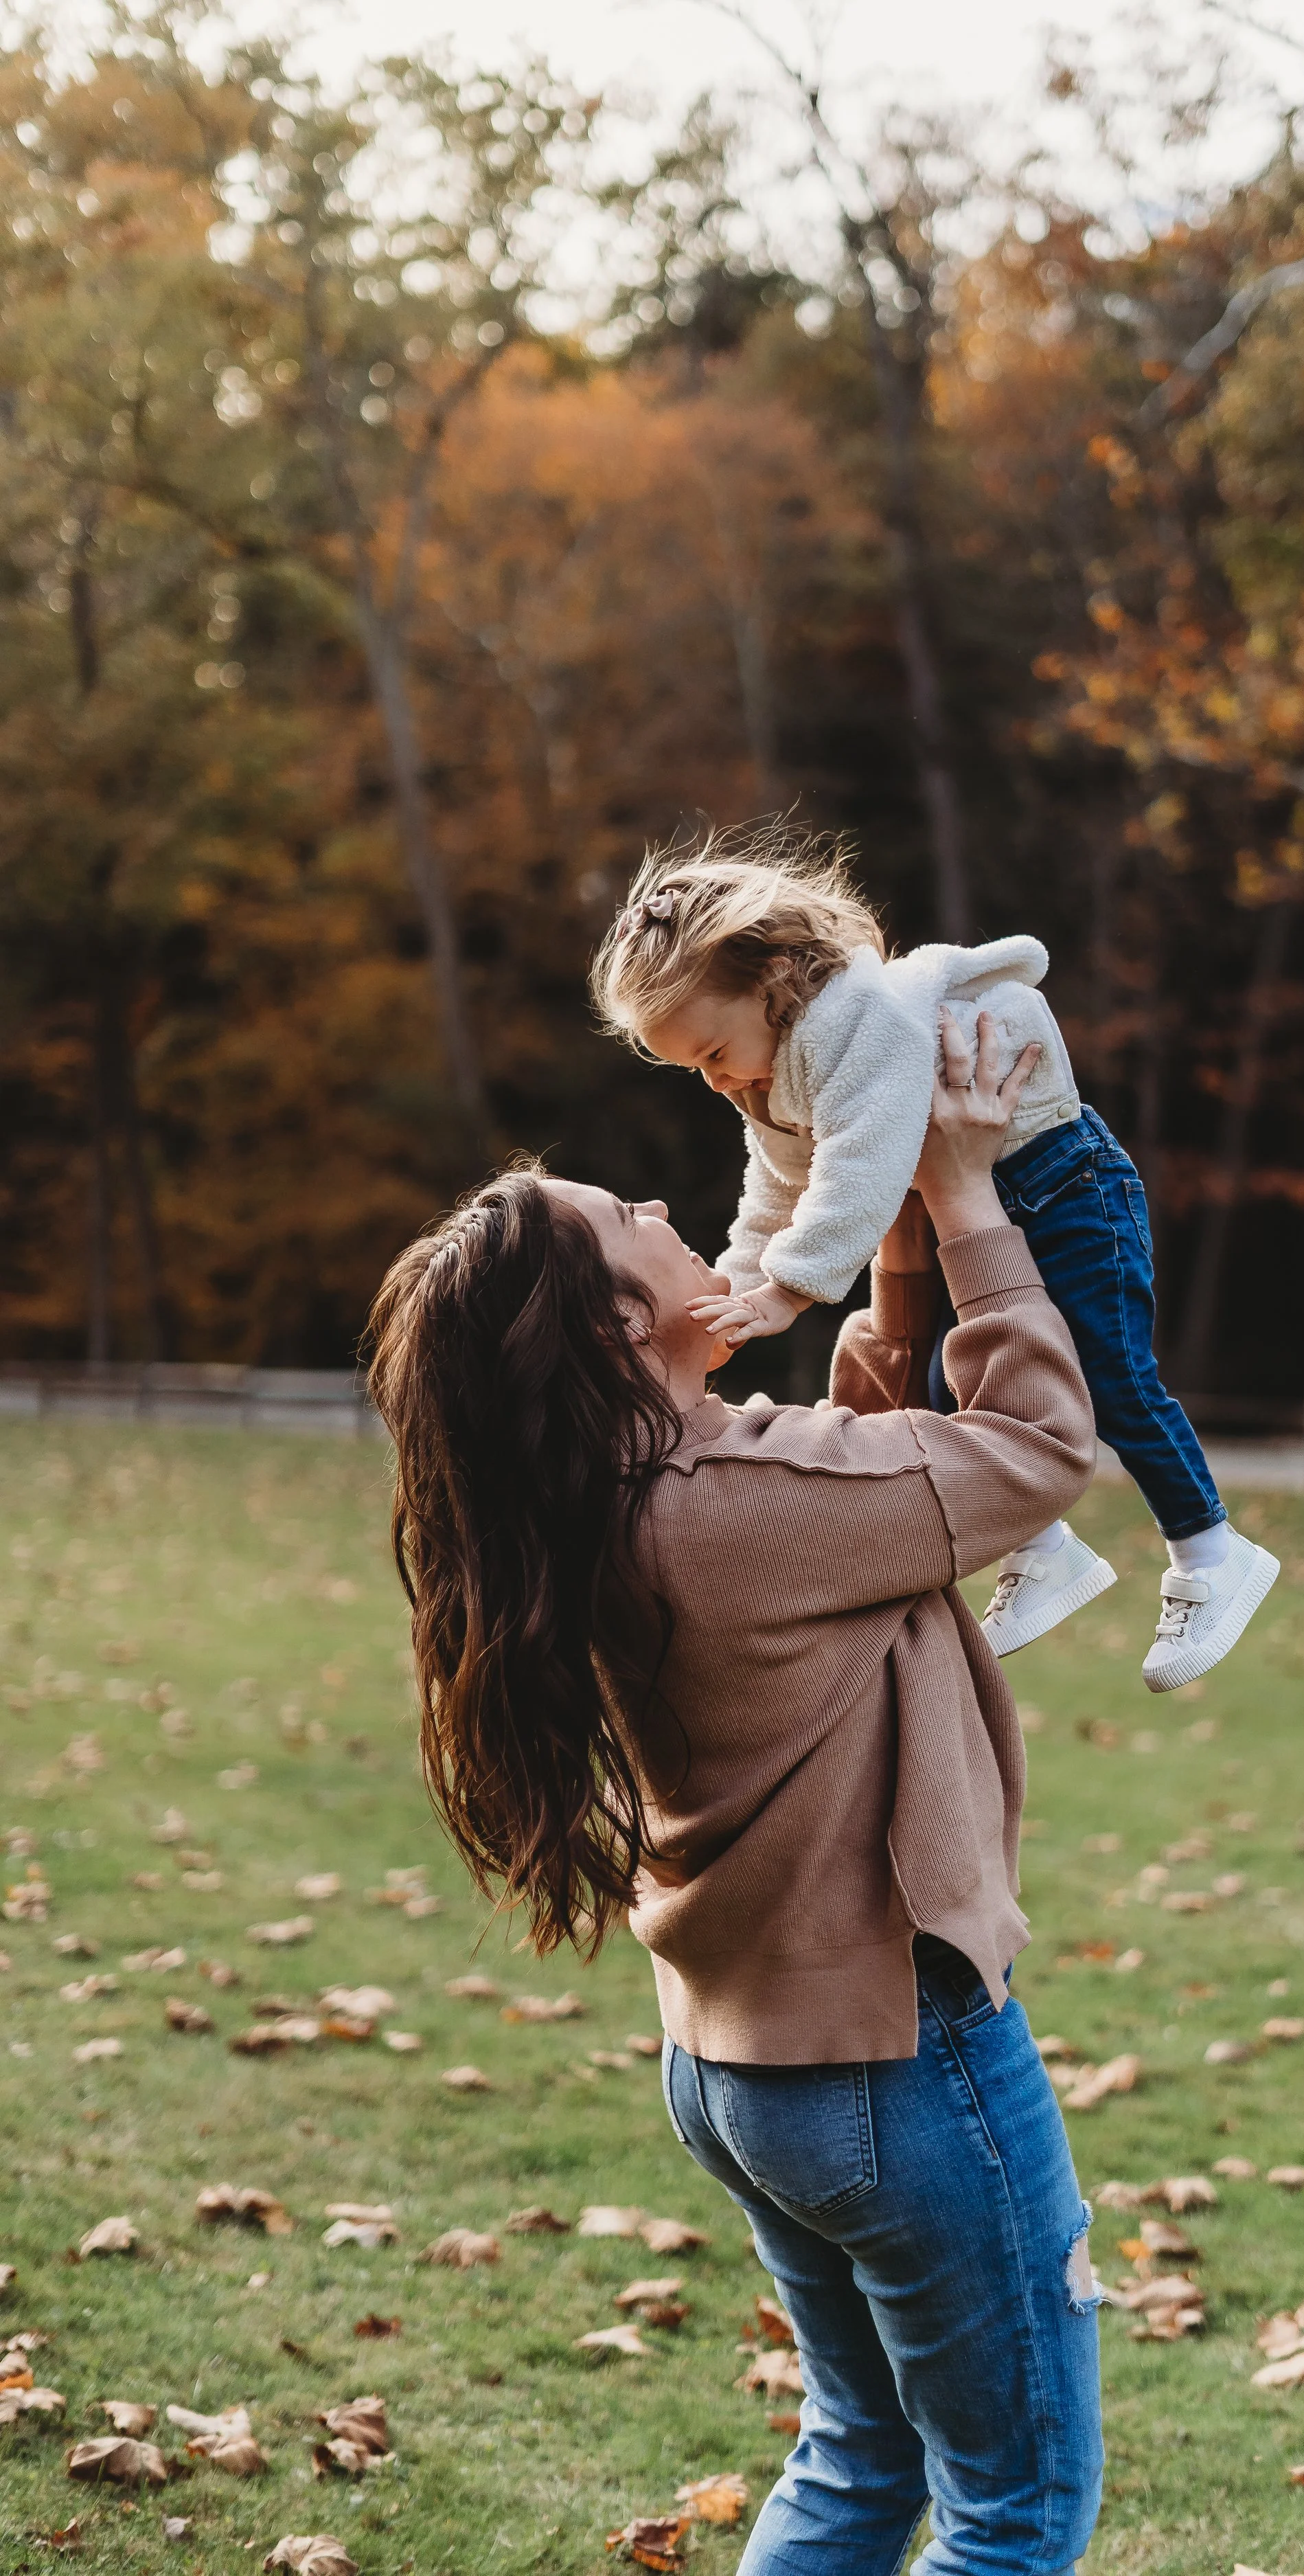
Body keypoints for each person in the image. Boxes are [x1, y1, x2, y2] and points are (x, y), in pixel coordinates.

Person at [366, 1015, 1104, 2575]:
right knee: (1014, 2512)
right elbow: (1032, 1450)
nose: (661, 1204)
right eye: (625, 1213)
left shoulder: (636, 1502)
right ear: (623, 1323)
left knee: (858, 2459)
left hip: (748, 2068)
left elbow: (870, 1456)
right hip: (895, 2060)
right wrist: (968, 1199)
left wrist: (891, 1215)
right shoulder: (732, 1512)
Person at [590, 822, 1278, 1690]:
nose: (716, 1081)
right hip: (988, 1194)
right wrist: (739, 1281)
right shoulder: (774, 1073)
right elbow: (777, 1187)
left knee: (1113, 1376)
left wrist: (790, 1291)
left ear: (771, 980)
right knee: (956, 1387)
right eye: (694, 1068)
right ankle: (1045, 1550)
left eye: (714, 1053)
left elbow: (861, 1169)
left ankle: (1211, 1549)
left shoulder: (857, 1021)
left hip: (1064, 1183)